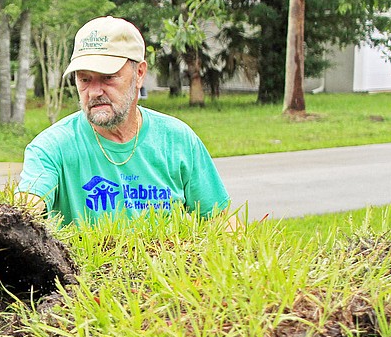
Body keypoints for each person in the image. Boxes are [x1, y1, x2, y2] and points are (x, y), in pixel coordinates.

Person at [18, 16, 234, 227]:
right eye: (84, 79)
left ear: (139, 73)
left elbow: (222, 224)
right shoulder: (50, 148)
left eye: (108, 77)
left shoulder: (177, 140)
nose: (93, 92)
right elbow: (26, 208)